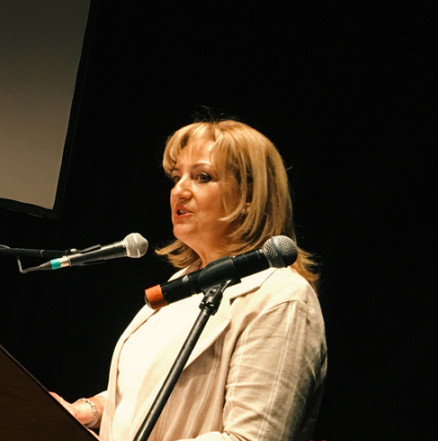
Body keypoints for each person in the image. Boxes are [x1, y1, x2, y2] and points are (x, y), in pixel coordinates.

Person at [52, 120, 326, 441]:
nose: (179, 190)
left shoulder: (281, 298)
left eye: (202, 177)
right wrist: (91, 410)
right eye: (176, 176)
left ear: (250, 195)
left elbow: (250, 438)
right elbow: (151, 395)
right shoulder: (183, 283)